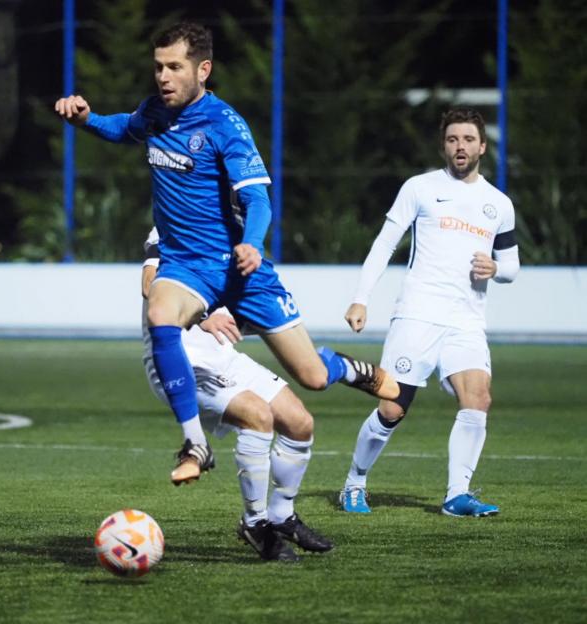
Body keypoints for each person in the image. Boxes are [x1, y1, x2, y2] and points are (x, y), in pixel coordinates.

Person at [55, 22, 399, 486]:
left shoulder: (225, 125)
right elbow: (126, 128)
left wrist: (252, 244)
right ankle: (196, 441)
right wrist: (87, 121)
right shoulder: (154, 112)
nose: (163, 76)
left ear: (203, 69)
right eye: (158, 67)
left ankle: (347, 367)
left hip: (240, 269)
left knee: (312, 377)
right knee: (160, 313)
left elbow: (259, 199)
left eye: (175, 67)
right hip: (186, 267)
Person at [339, 107, 520, 517]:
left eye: (469, 139)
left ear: (483, 146)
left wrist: (496, 268)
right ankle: (354, 481)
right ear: (443, 146)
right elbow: (385, 243)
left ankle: (458, 495)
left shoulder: (498, 203)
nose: (461, 146)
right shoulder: (419, 188)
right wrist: (361, 297)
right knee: (392, 408)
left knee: (478, 397)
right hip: (418, 315)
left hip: (467, 321)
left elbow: (511, 267)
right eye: (453, 139)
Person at [141, 230, 332, 561]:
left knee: (300, 422)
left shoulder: (243, 233)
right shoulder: (178, 221)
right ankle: (255, 524)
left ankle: (281, 515)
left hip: (224, 356)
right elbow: (149, 284)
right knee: (257, 415)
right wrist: (202, 315)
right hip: (183, 361)